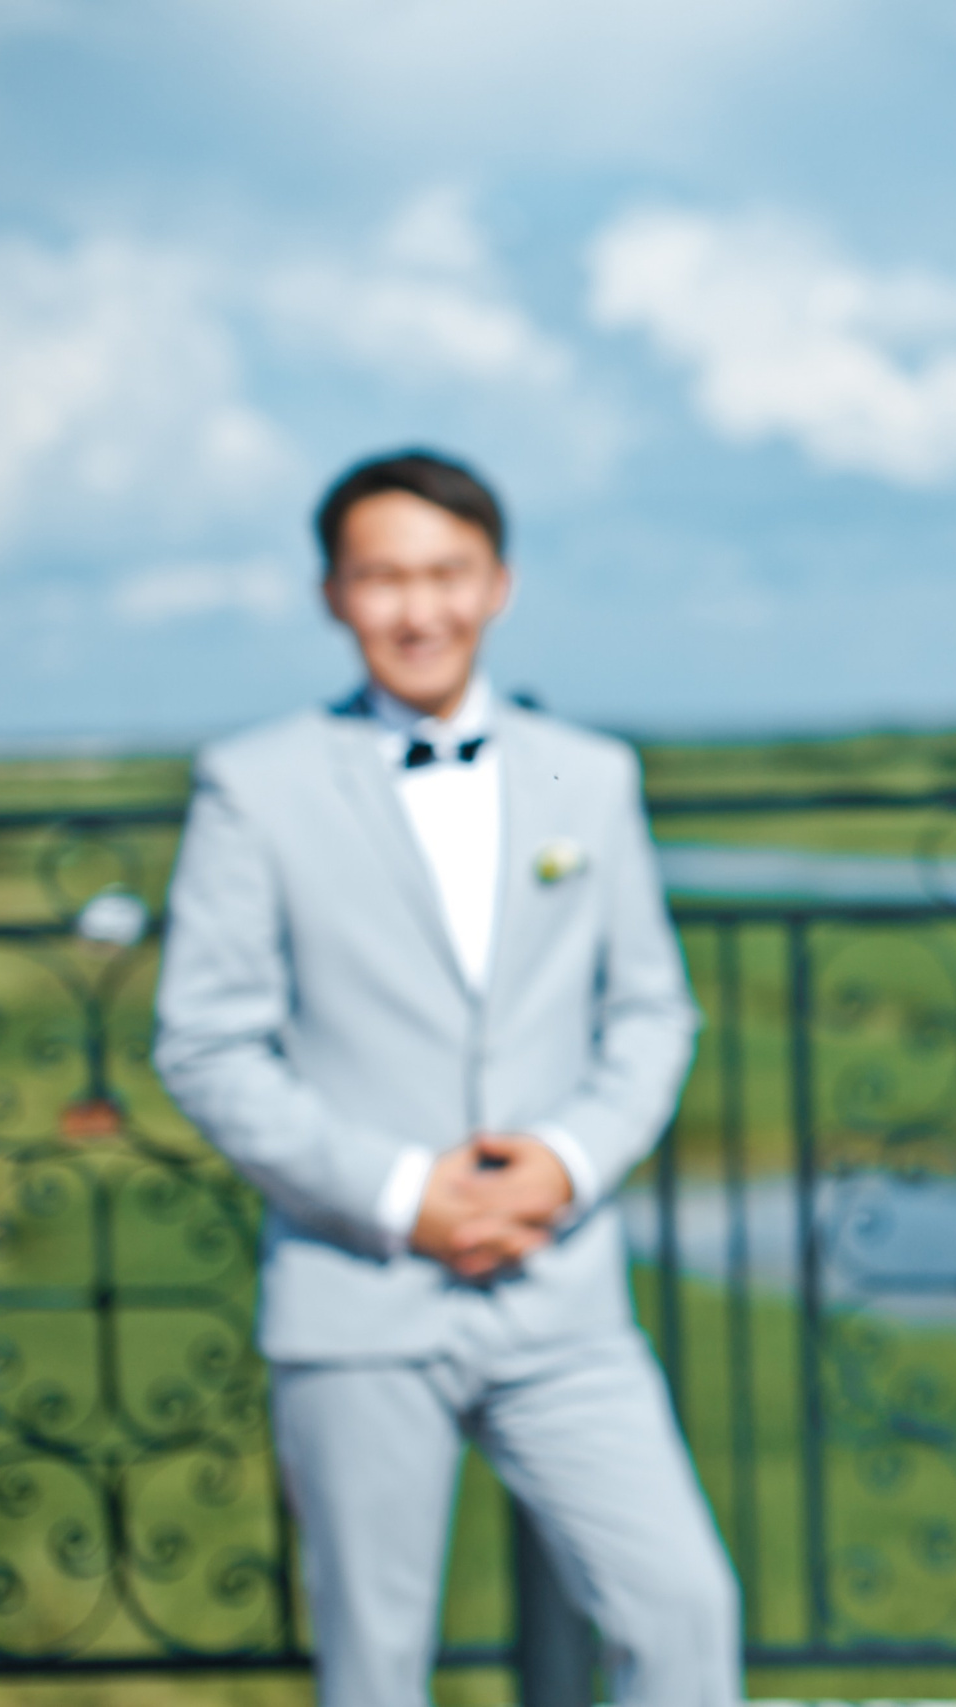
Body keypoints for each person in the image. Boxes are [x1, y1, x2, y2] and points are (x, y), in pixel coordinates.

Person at [153, 451, 740, 1707]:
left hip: (562, 1293)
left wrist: (565, 1163)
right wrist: (401, 1191)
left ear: (498, 584)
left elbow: (650, 1011)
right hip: (353, 1297)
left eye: (444, 574)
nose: (416, 609)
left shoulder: (595, 770)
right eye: (381, 578)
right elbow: (206, 1042)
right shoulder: (252, 784)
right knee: (373, 1668)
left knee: (684, 1611)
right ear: (333, 595)